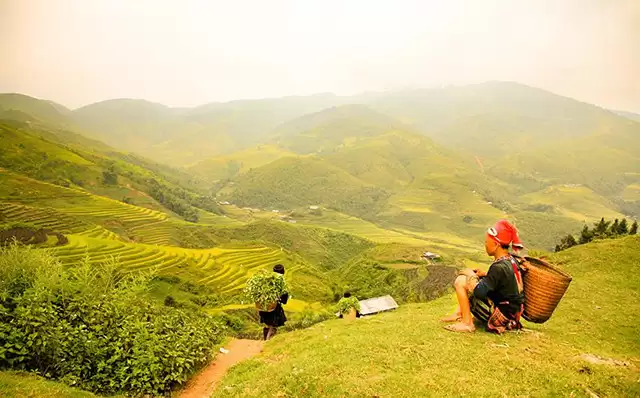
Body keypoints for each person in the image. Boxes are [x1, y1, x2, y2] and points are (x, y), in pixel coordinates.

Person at [441, 219, 525, 333]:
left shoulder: (498, 267)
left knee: (461, 281)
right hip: (512, 314)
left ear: (495, 245)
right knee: (476, 280)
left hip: (502, 317)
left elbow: (479, 292)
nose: (485, 244)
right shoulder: (511, 260)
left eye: (487, 242)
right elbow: (503, 280)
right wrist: (484, 274)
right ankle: (459, 314)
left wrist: (471, 275)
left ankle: (467, 323)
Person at [259, 264, 289, 340]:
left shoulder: (267, 280)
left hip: (264, 306)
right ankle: (267, 341)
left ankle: (267, 338)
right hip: (274, 308)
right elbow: (284, 298)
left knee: (269, 325)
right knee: (272, 326)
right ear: (283, 272)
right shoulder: (281, 282)